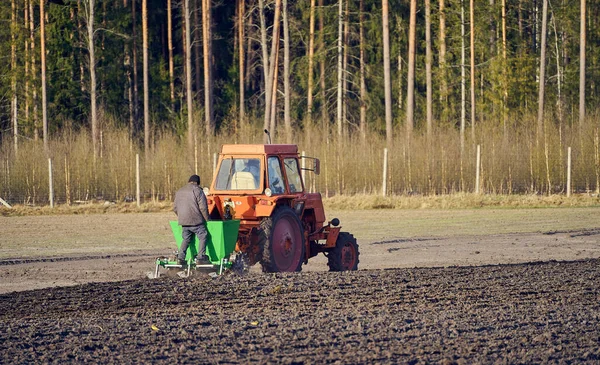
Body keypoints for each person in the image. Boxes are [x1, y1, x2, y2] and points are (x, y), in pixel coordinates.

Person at [173, 175, 210, 266]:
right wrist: (208, 219)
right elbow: (203, 208)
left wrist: (182, 217)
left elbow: (175, 208)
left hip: (184, 221)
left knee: (186, 239)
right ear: (198, 182)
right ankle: (201, 257)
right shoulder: (198, 190)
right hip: (196, 221)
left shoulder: (179, 191)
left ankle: (181, 257)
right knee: (203, 236)